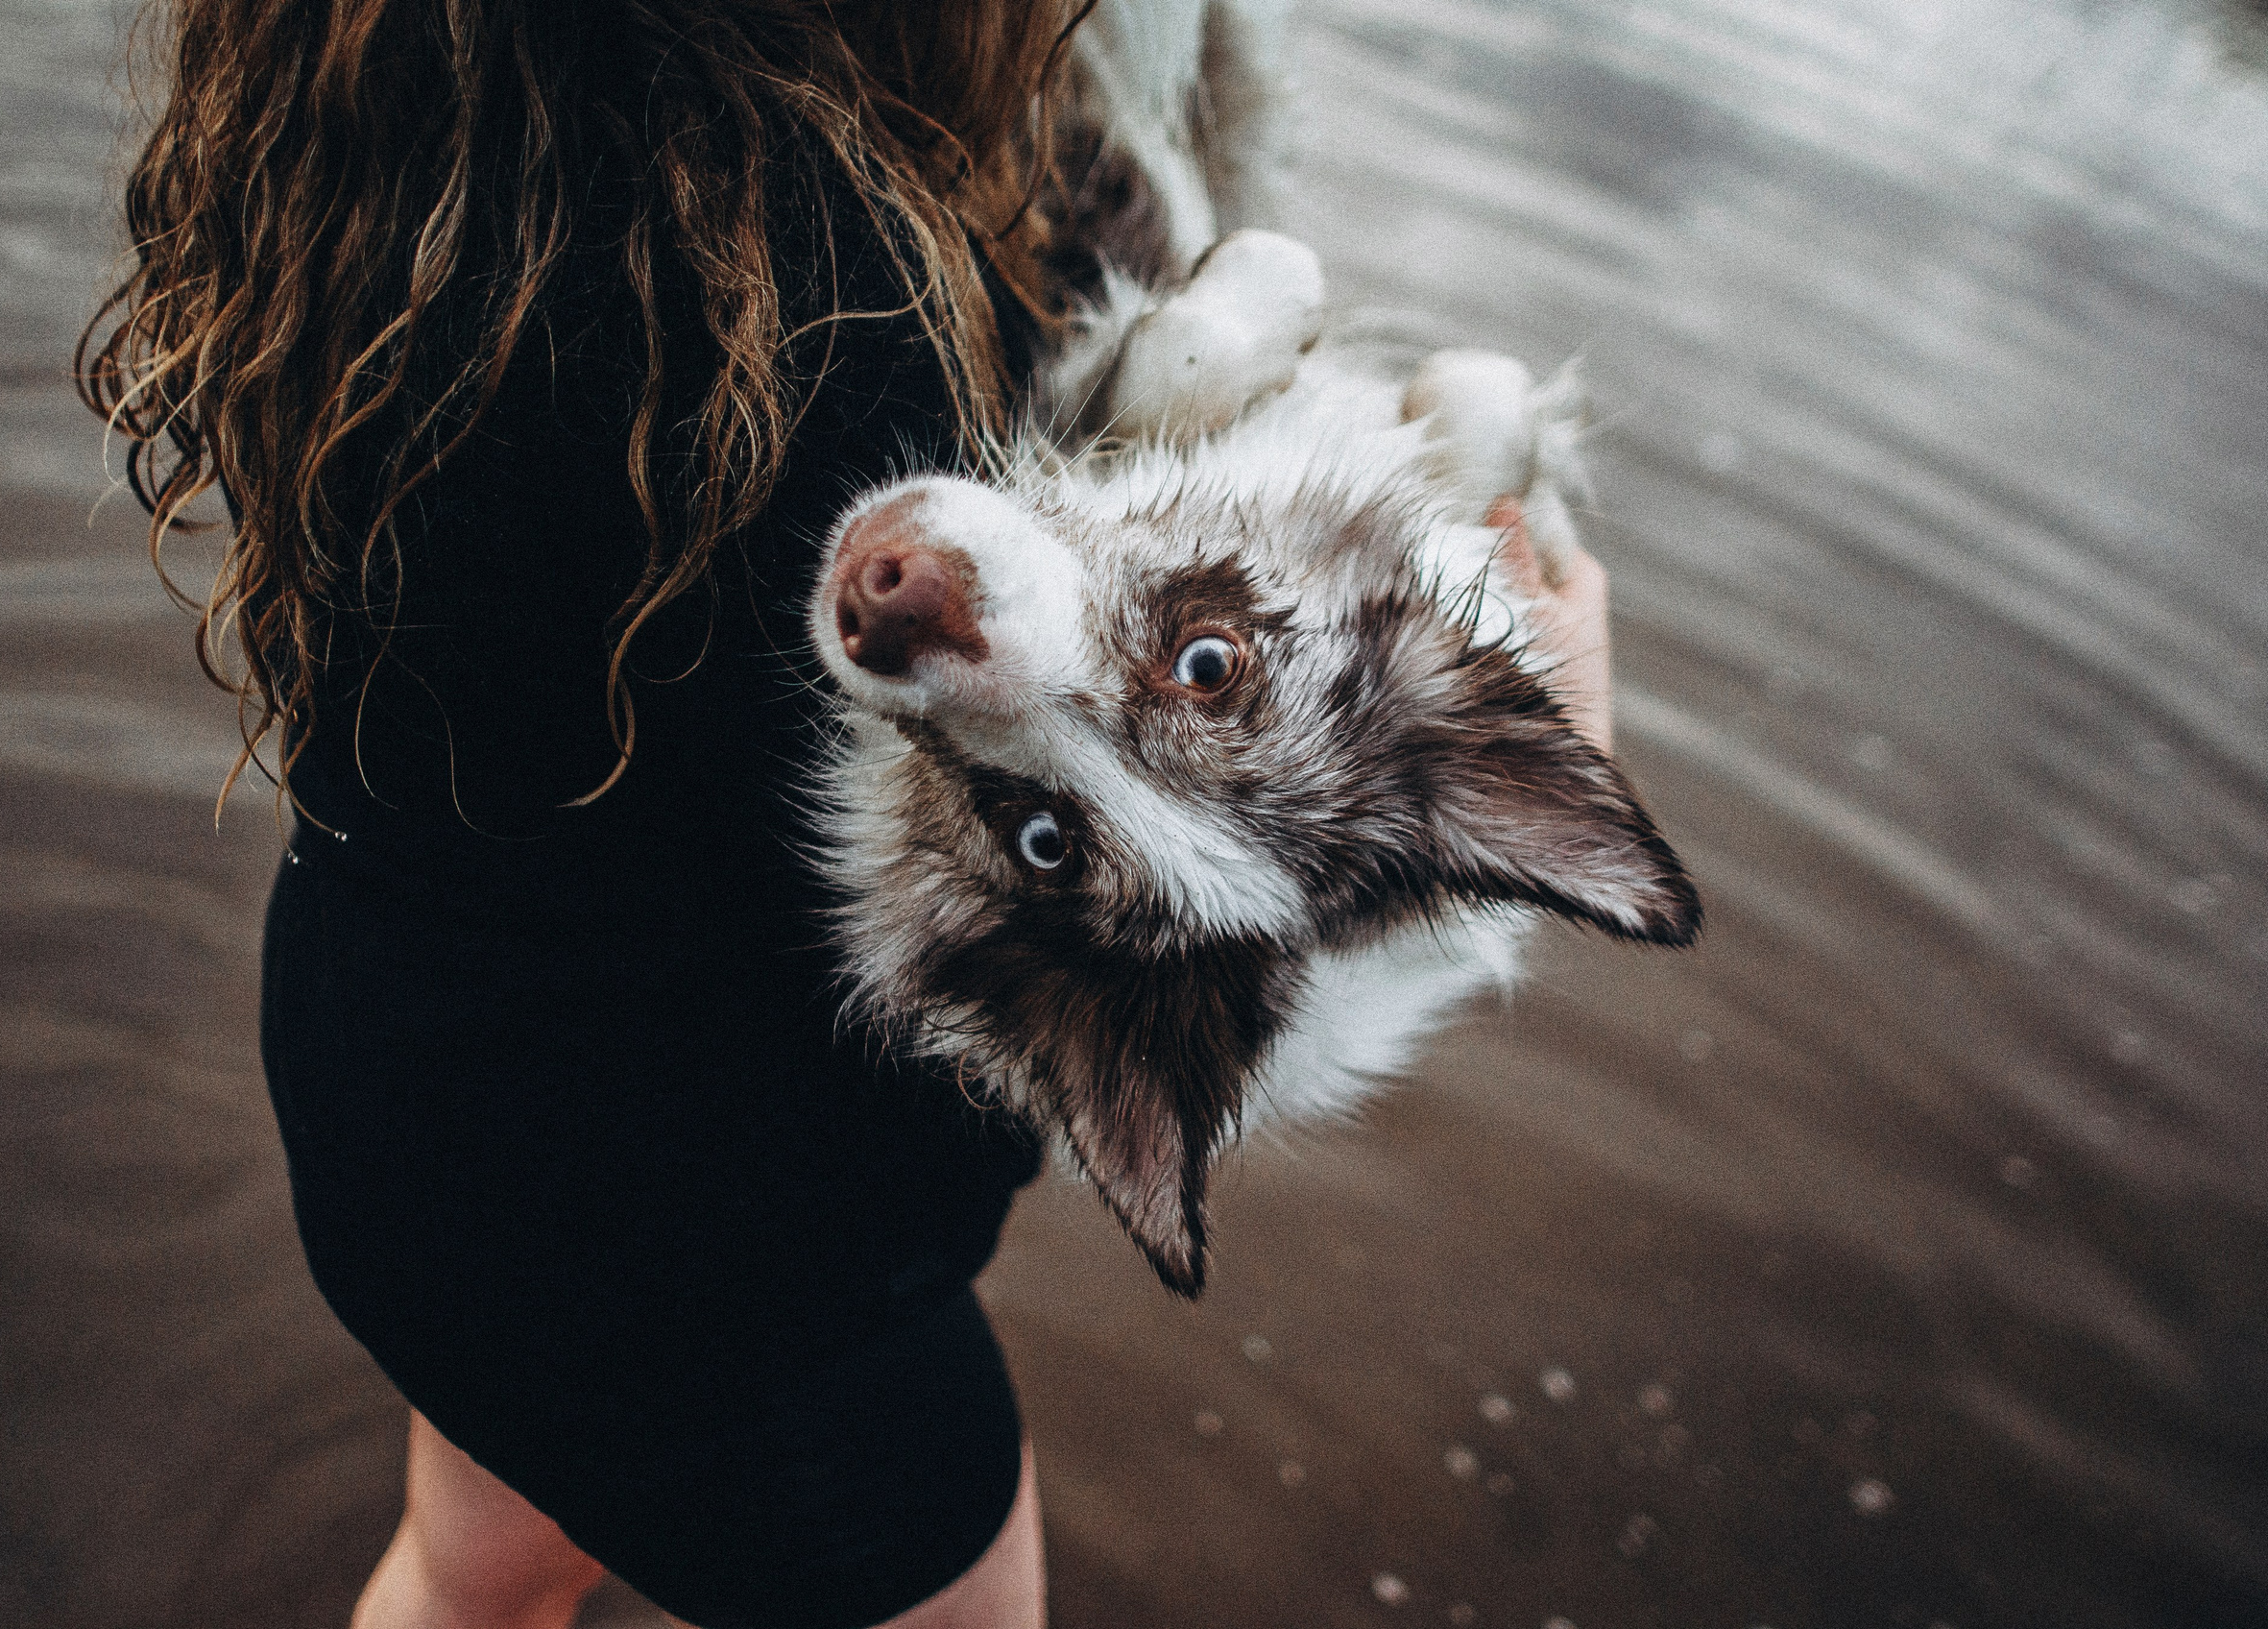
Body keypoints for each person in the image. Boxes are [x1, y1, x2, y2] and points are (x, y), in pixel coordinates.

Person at [78, 4, 1621, 1625]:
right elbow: (1101, 899)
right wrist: (1539, 725)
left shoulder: (406, 138)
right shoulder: (820, 294)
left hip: (400, 1100)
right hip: (726, 1289)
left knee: (478, 1584)